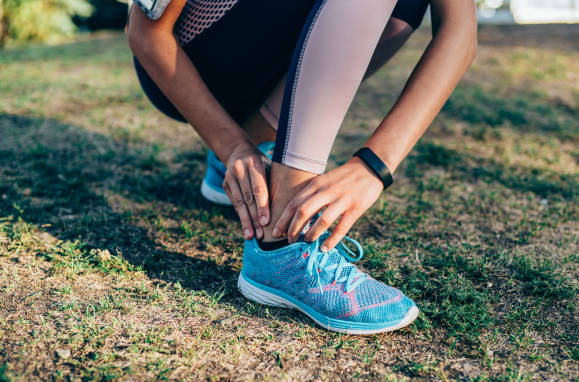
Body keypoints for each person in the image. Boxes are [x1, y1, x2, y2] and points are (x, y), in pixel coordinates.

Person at [127, 0, 477, 334]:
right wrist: (229, 145)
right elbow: (146, 33)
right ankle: (281, 241)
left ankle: (259, 149)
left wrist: (373, 166)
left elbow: (460, 31)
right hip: (189, 56)